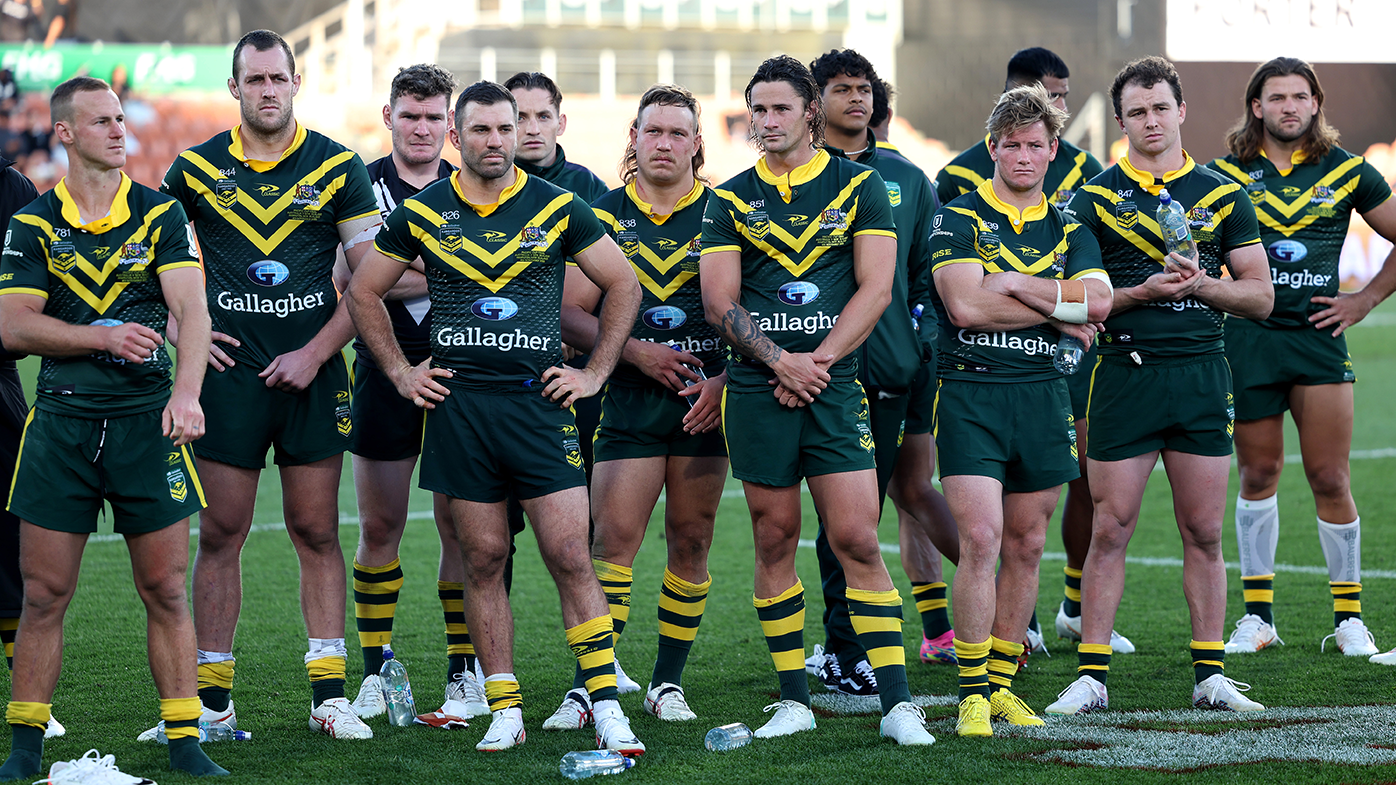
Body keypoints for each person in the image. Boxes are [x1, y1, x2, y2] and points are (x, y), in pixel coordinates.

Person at [346, 80, 647, 754]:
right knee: (482, 556)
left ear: (517, 133)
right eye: (478, 130)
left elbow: (623, 282)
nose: (493, 141)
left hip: (537, 403)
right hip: (460, 407)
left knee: (571, 554)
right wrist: (399, 369)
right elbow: (362, 288)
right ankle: (503, 704)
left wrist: (595, 369)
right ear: (458, 134)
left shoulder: (558, 206)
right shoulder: (424, 212)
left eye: (503, 129)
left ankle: (605, 704)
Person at [154, 29, 382, 740]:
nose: (267, 91)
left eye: (277, 78)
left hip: (312, 377)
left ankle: (329, 696)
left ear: (294, 82)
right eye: (253, 80)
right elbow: (147, 260)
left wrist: (315, 354)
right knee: (221, 532)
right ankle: (212, 705)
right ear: (234, 87)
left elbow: (371, 282)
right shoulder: (193, 169)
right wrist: (179, 330)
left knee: (316, 529)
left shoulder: (339, 165)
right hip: (227, 380)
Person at [699, 54, 933, 746]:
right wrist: (777, 360)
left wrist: (819, 362)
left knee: (857, 535)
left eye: (779, 108)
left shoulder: (863, 187)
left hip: (832, 387)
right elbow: (719, 301)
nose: (766, 121)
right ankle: (794, 698)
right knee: (773, 535)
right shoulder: (729, 197)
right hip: (757, 388)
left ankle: (896, 703)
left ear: (810, 113)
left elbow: (877, 289)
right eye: (757, 109)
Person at [0, 76, 225, 779]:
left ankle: (185, 741)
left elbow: (192, 312)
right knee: (43, 595)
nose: (119, 131)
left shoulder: (159, 217)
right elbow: (11, 327)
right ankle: (26, 745)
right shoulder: (33, 224)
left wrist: (187, 394)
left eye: (121, 119)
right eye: (101, 122)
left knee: (165, 588)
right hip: (61, 421)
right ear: (64, 133)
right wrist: (102, 338)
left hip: (144, 424)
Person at [1046, 56, 1273, 715]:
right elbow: (1087, 299)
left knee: (1203, 530)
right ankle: (1092, 676)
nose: (1150, 120)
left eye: (1160, 107)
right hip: (1124, 376)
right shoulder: (1091, 199)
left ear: (1182, 111)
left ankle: (1211, 676)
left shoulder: (1223, 193)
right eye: (1136, 111)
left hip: (1202, 376)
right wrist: (1143, 290)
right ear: (1121, 122)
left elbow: (1260, 297)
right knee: (1109, 528)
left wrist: (1201, 283)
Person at [543, 84, 726, 729]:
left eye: (679, 133)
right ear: (634, 137)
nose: (665, 144)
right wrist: (639, 353)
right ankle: (587, 686)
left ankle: (667, 683)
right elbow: (568, 314)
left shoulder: (727, 212)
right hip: (628, 398)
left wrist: (724, 381)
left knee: (691, 538)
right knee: (611, 542)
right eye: (654, 131)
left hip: (705, 403)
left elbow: (750, 308)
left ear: (697, 143)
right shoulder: (601, 211)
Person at [930, 84, 1110, 736]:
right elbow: (965, 308)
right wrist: (1055, 303)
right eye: (1013, 145)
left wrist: (1010, 281)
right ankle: (972, 690)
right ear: (993, 148)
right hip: (972, 392)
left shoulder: (1072, 227)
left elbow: (1100, 303)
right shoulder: (956, 216)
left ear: (1054, 150)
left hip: (1044, 394)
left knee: (1029, 543)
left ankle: (1003, 685)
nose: (1025, 156)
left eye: (1036, 144)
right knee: (981, 538)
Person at [1206, 57, 1396, 661]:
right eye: (1276, 97)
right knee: (1258, 477)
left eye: (1299, 96)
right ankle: (1257, 616)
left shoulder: (1348, 172)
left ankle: (1349, 619)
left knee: (1330, 478)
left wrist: (1363, 300)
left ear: (1316, 103)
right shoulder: (1222, 173)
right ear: (1255, 107)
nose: (1289, 106)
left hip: (1317, 341)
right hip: (1249, 342)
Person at [801, 50, 960, 697]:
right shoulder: (796, 176)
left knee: (859, 519)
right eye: (842, 89)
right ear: (817, 101)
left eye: (864, 89)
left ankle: (854, 647)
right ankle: (845, 648)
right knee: (827, 522)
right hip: (814, 372)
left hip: (891, 372)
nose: (857, 100)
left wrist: (918, 343)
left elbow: (928, 276)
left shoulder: (907, 179)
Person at [344, 64, 491, 723]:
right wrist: (446, 261)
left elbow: (491, 273)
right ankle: (375, 671)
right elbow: (355, 279)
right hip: (384, 366)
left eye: (436, 117)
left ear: (451, 124)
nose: (424, 128)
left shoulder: (474, 186)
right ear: (389, 116)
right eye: (412, 115)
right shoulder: (358, 185)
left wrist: (392, 263)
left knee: (461, 528)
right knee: (380, 525)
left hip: (463, 374)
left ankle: (464, 671)